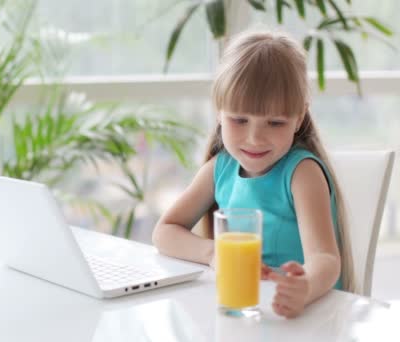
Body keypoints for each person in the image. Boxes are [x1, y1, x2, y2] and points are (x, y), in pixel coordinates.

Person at [151, 30, 354, 319]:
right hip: (245, 312)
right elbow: (164, 232)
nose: (255, 138)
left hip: (302, 320)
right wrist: (213, 254)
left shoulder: (302, 173)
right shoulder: (219, 168)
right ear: (219, 112)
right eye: (240, 120)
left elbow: (325, 259)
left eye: (274, 122)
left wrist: (305, 287)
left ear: (299, 118)